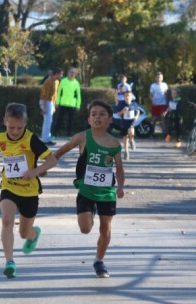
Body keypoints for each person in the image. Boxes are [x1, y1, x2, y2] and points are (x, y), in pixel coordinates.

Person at [0, 103, 57, 279]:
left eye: (19, 127)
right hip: (9, 187)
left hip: (30, 192)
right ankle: (10, 262)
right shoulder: (1, 138)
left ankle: (33, 234)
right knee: (7, 220)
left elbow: (52, 160)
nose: (15, 131)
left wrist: (35, 171)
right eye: (11, 127)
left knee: (24, 232)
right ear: (4, 122)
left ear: (25, 123)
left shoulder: (31, 139)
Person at [54, 100, 125, 278]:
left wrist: (121, 186)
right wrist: (43, 167)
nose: (97, 117)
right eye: (93, 114)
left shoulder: (114, 143)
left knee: (105, 228)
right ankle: (90, 211)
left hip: (107, 192)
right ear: (88, 119)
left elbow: (119, 168)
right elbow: (60, 152)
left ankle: (99, 261)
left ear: (110, 120)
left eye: (102, 114)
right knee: (85, 229)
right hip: (86, 189)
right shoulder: (82, 137)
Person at [54, 67, 82, 137]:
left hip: (72, 104)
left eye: (74, 72)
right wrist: (57, 102)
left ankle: (68, 135)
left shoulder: (76, 83)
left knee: (71, 121)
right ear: (68, 73)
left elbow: (78, 95)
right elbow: (59, 92)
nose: (72, 74)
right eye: (71, 72)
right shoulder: (63, 81)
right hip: (63, 103)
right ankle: (55, 134)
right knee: (59, 119)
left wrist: (78, 105)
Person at [39, 67, 62, 146]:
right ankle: (46, 139)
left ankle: (46, 138)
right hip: (46, 101)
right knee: (47, 121)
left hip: (51, 102)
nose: (61, 75)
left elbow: (55, 94)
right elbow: (45, 95)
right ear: (56, 74)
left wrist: (54, 104)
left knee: (49, 121)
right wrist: (44, 107)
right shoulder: (48, 81)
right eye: (60, 74)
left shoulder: (57, 82)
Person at [115, 91, 139, 160]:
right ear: (124, 97)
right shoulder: (121, 103)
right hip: (124, 122)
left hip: (131, 121)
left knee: (131, 131)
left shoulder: (134, 104)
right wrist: (122, 111)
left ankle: (132, 140)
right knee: (125, 138)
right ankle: (126, 152)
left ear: (131, 97)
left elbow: (138, 111)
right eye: (126, 96)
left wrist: (136, 116)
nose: (127, 97)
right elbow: (118, 114)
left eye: (129, 96)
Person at [149, 72, 169, 137]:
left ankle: (164, 132)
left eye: (160, 77)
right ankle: (152, 132)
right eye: (157, 77)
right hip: (155, 104)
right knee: (154, 118)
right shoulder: (153, 86)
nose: (159, 78)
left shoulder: (164, 85)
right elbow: (151, 95)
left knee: (163, 117)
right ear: (155, 78)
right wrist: (153, 101)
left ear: (162, 78)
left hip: (162, 104)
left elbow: (166, 94)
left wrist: (166, 102)